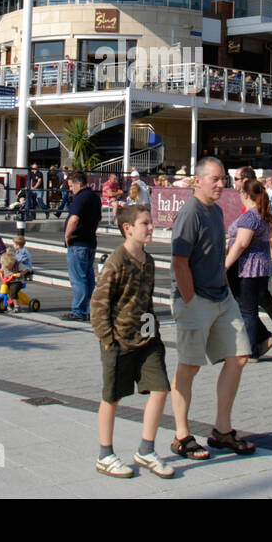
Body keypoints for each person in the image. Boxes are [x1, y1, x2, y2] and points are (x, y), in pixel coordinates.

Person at [169, 156, 254, 460]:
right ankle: (181, 435)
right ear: (198, 180)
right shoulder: (190, 213)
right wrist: (190, 299)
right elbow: (179, 261)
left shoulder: (216, 212)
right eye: (215, 179)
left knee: (239, 356)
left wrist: (223, 287)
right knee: (189, 366)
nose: (222, 184)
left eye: (224, 179)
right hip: (196, 299)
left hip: (221, 296)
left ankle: (222, 430)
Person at [91, 204, 173, 479]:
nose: (151, 228)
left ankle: (146, 450)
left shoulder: (147, 261)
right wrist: (107, 339)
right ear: (128, 229)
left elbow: (147, 300)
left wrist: (153, 333)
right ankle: (105, 455)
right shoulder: (116, 261)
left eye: (150, 223)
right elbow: (99, 304)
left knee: (160, 388)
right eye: (145, 223)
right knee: (112, 397)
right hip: (119, 341)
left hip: (147, 339)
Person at [226, 178, 272, 359]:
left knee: (248, 309)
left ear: (245, 195)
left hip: (249, 266)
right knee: (253, 304)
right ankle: (269, 337)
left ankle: (252, 349)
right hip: (259, 265)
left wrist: (226, 263)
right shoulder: (261, 214)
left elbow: (242, 243)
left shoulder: (251, 216)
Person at [61, 172, 102, 321]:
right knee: (88, 278)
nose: (71, 189)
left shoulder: (80, 198)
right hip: (90, 241)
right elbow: (98, 220)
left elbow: (74, 218)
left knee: (78, 278)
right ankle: (89, 309)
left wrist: (67, 236)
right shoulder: (95, 197)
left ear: (79, 184)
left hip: (77, 243)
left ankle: (78, 310)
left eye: (71, 186)